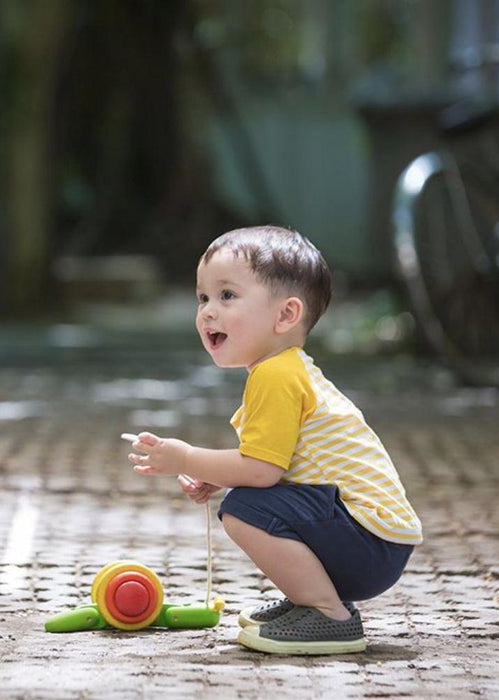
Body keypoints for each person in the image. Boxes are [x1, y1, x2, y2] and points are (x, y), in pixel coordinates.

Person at [127, 225, 422, 655]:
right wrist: (218, 475)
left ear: (285, 315)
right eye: (203, 297)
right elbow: (281, 466)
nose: (208, 311)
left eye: (227, 296)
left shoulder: (276, 375)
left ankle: (328, 614)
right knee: (250, 501)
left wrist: (187, 458)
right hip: (375, 540)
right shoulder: (285, 369)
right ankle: (314, 599)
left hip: (370, 543)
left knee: (244, 509)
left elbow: (262, 472)